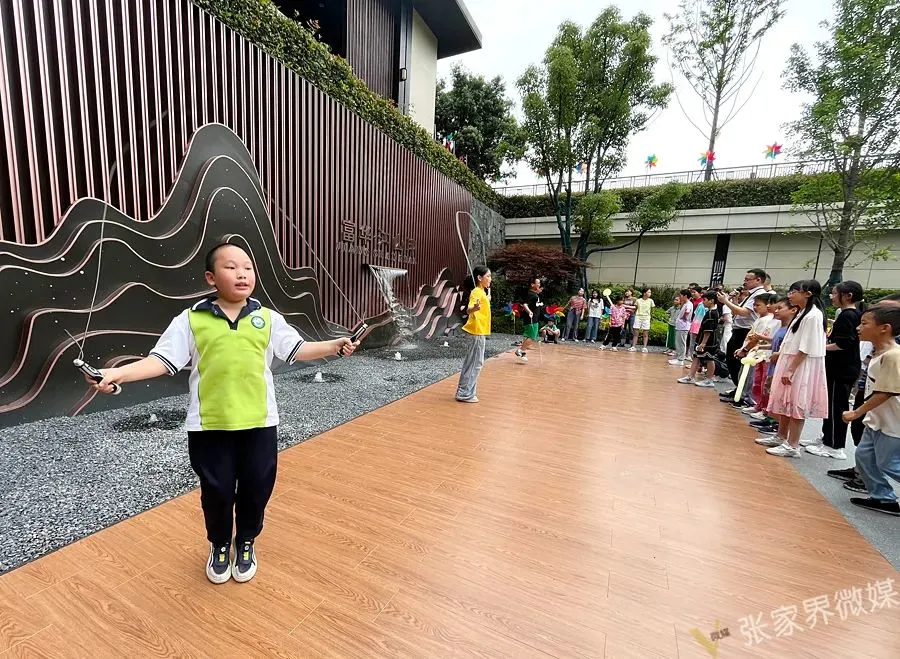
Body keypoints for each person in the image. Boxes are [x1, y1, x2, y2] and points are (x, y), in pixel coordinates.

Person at [88, 242, 358, 584]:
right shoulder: (191, 319)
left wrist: (334, 345)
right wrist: (118, 373)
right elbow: (161, 361)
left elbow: (297, 349)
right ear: (211, 277)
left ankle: (245, 541)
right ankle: (219, 544)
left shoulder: (268, 318)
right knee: (216, 492)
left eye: (247, 267)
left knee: (256, 489)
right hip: (209, 425)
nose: (242, 274)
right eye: (231, 267)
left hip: (259, 423)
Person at [841, 303, 900, 516]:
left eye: (864, 323)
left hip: (892, 421)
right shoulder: (878, 353)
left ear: (884, 328)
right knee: (864, 457)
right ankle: (883, 497)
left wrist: (857, 412)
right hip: (877, 419)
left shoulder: (893, 355)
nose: (859, 328)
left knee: (889, 464)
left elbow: (886, 392)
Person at [763, 280, 829, 458]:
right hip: (791, 360)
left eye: (794, 292)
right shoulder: (802, 313)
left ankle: (793, 445)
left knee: (797, 403)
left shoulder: (813, 316)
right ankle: (781, 436)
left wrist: (791, 370)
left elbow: (805, 347)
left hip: (800, 364)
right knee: (786, 400)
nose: (790, 295)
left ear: (807, 294)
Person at [805, 281, 864, 459]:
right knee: (830, 404)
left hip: (842, 369)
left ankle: (835, 445)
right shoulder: (847, 314)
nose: (831, 297)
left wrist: (819, 347)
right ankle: (827, 438)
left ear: (848, 296)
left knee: (836, 406)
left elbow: (843, 344)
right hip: (839, 367)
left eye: (834, 293)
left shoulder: (848, 315)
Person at [717, 269, 768, 396]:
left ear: (758, 280)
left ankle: (741, 391)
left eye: (748, 279)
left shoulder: (759, 294)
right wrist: (734, 300)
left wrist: (726, 301)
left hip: (745, 331)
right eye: (745, 279)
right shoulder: (752, 293)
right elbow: (737, 311)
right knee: (733, 360)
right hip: (740, 329)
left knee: (737, 361)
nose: (745, 282)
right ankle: (738, 389)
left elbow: (744, 312)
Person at [456, 265, 492, 403]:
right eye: (488, 276)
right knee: (475, 363)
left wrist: (486, 299)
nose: (490, 279)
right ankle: (465, 394)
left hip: (478, 331)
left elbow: (480, 303)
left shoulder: (481, 292)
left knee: (472, 362)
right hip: (476, 331)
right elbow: (469, 308)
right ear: (479, 278)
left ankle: (464, 391)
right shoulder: (477, 292)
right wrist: (474, 308)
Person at [677, 291, 720, 387]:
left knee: (709, 358)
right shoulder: (711, 311)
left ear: (712, 301)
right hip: (702, 339)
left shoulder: (711, 313)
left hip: (709, 341)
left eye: (705, 300)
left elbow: (708, 331)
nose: (703, 302)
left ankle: (709, 379)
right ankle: (690, 376)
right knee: (697, 357)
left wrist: (703, 343)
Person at [516, 277, 543, 363]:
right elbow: (525, 304)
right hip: (531, 318)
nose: (539, 285)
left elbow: (534, 304)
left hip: (533, 318)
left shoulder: (534, 294)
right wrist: (529, 312)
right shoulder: (531, 294)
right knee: (532, 336)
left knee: (528, 336)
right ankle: (520, 350)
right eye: (538, 283)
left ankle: (522, 352)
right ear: (532, 284)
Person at [669, 290, 693, 365]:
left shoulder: (689, 304)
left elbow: (687, 311)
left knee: (681, 343)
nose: (680, 297)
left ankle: (680, 359)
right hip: (680, 326)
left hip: (683, 326)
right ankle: (678, 357)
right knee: (678, 342)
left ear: (685, 296)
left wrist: (684, 317)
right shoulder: (685, 303)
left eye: (681, 295)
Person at [629, 287, 655, 353]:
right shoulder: (638, 300)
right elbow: (635, 309)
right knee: (636, 333)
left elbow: (652, 310)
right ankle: (633, 347)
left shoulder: (651, 301)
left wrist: (651, 318)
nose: (650, 293)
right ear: (644, 293)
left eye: (650, 292)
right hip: (638, 317)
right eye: (648, 292)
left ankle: (644, 347)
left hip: (646, 318)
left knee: (645, 333)